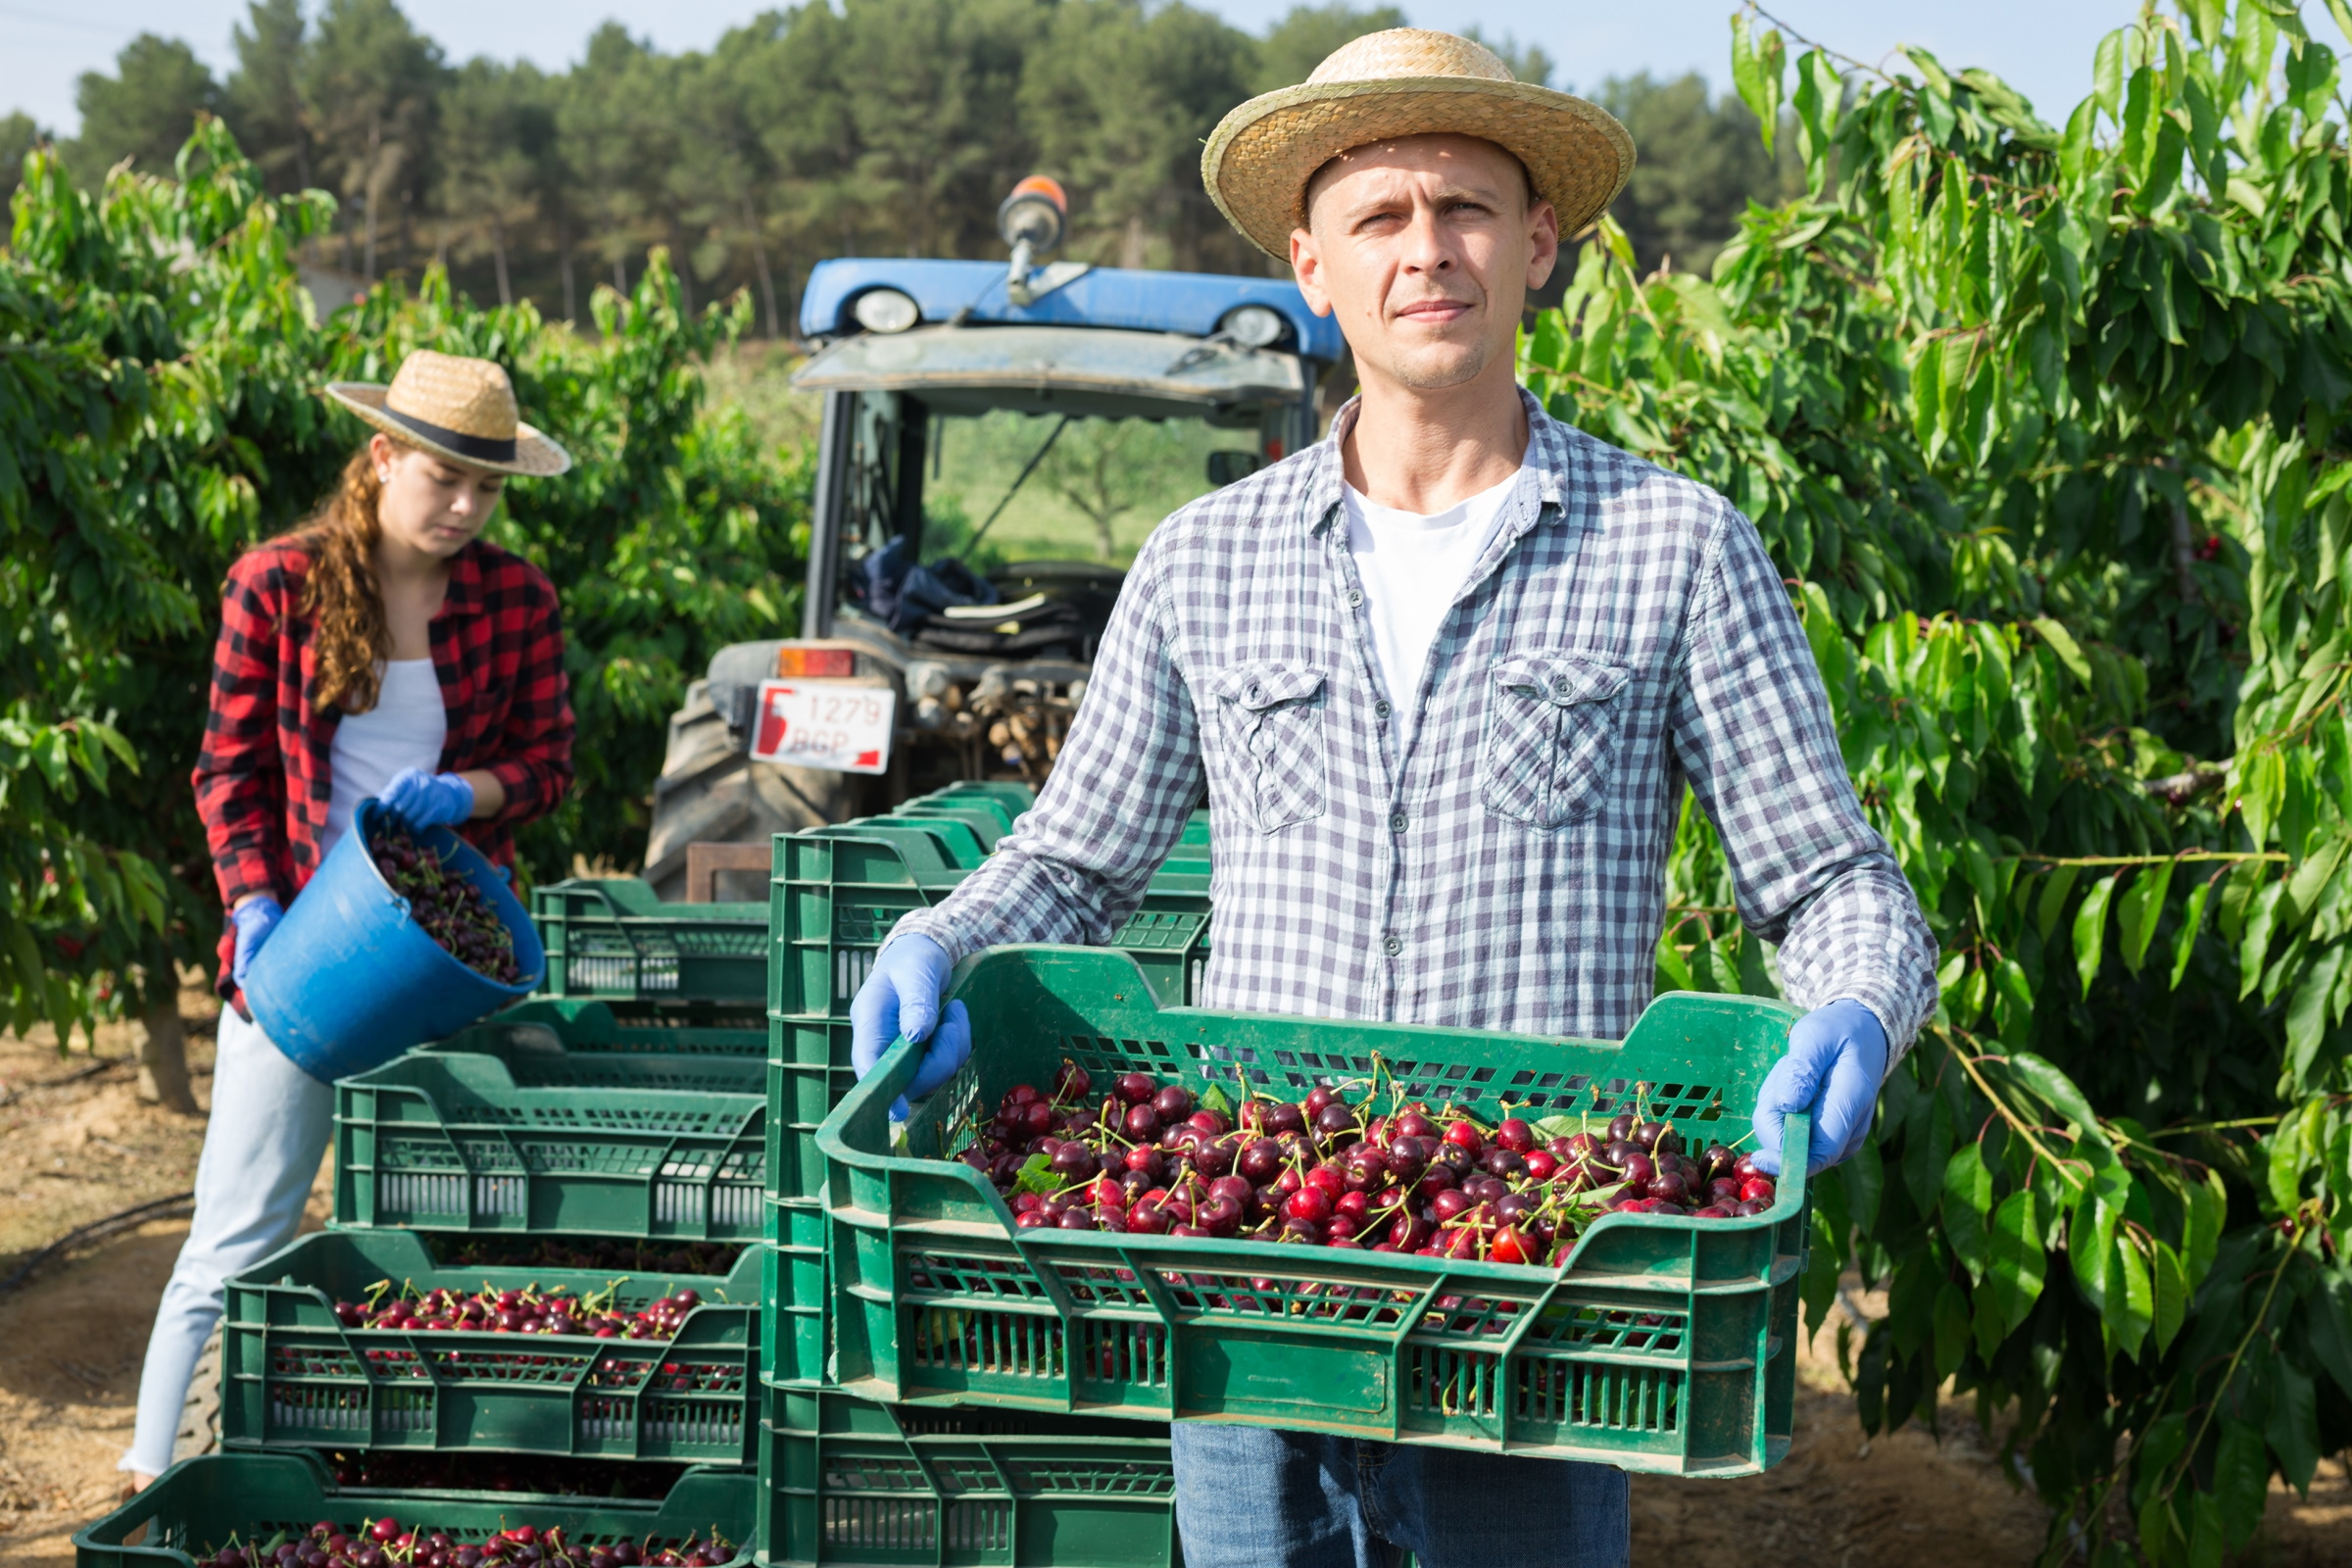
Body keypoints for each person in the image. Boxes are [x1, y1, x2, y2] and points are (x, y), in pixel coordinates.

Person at [847, 28, 1938, 1568]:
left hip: (1538, 1297)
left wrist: (1860, 1010)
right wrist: (946, 944)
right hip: (1243, 1288)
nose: (1428, 250)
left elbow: (1830, 880)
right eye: (1379, 217)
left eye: (1469, 208)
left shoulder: (1677, 549)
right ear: (1313, 265)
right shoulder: (1203, 562)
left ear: (1539, 245)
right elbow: (1076, 859)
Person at [121, 350, 575, 1488]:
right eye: (443, 478)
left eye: (488, 487)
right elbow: (226, 769)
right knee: (241, 1226)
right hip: (311, 952)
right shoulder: (275, 586)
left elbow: (548, 764)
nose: (466, 507)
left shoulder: (515, 597)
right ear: (380, 459)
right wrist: (258, 901)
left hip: (437, 952)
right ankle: (152, 1469)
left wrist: (464, 797)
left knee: (439, 1230)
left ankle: (401, 1468)